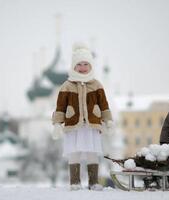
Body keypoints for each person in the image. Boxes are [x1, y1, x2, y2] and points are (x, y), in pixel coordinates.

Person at [51, 43, 114, 191]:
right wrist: (57, 124)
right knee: (75, 153)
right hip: (73, 125)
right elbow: (60, 106)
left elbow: (104, 104)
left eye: (86, 64)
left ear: (91, 66)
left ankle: (93, 182)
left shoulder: (96, 85)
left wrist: (108, 120)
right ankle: (75, 182)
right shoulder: (67, 85)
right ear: (74, 66)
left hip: (92, 125)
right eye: (79, 64)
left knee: (92, 153)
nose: (83, 67)